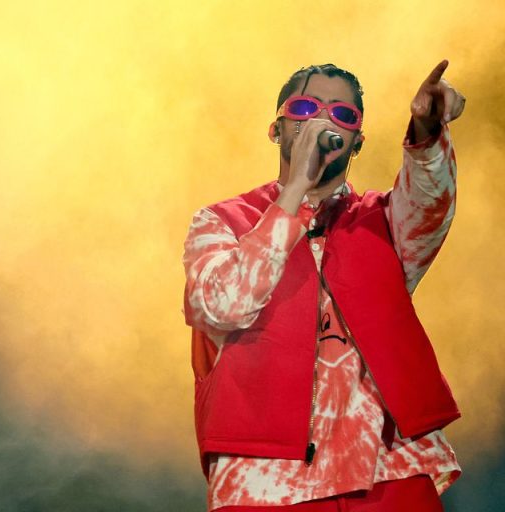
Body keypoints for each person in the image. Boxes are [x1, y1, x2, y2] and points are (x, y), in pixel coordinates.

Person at [182, 60, 467, 511]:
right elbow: (222, 306)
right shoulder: (221, 222)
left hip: (388, 470)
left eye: (342, 114)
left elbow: (431, 202)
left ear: (357, 143)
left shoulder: (382, 221)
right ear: (276, 129)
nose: (322, 119)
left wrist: (427, 131)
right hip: (266, 480)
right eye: (305, 107)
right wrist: (295, 189)